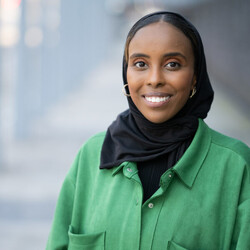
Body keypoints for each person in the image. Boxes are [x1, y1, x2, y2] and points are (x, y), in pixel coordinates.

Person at [46, 11, 250, 250]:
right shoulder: (91, 155)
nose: (154, 79)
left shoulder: (235, 166)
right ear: (126, 73)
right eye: (140, 64)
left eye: (172, 64)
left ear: (195, 76)